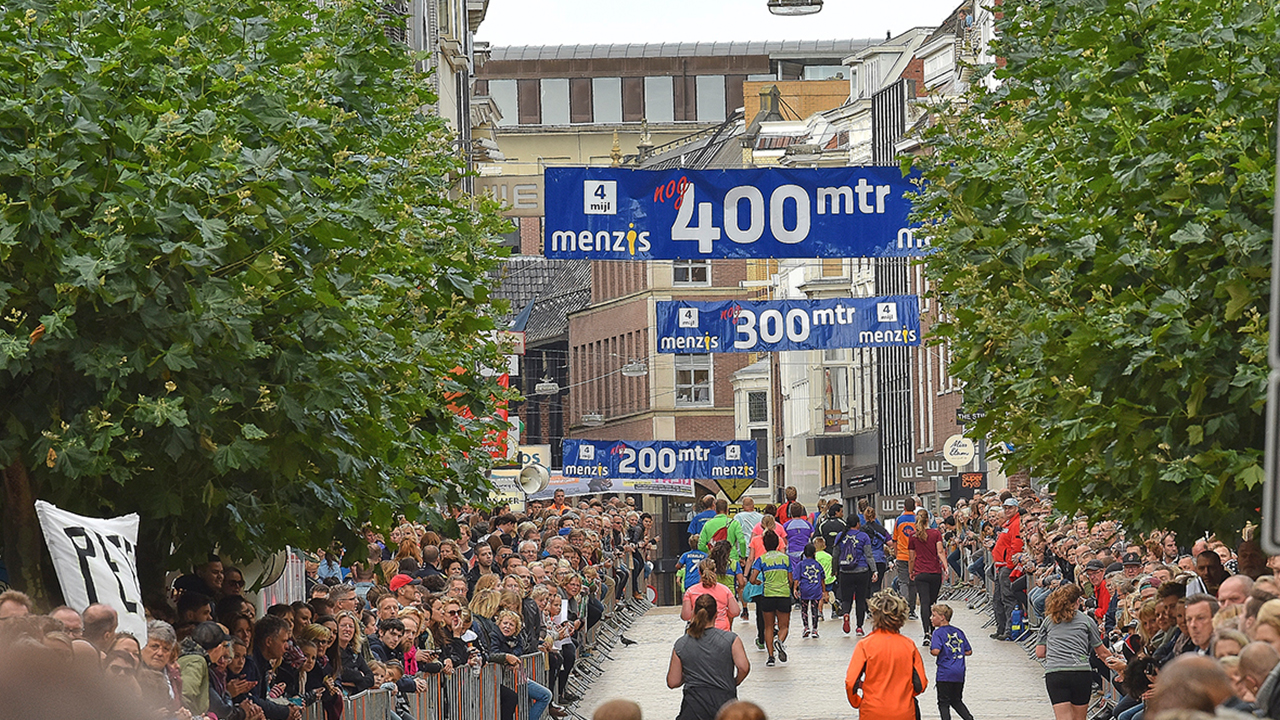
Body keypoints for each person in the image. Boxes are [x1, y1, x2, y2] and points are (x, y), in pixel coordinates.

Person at [845, 590, 928, 720]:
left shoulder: (865, 645)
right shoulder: (909, 645)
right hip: (903, 711)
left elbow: (851, 682)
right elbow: (921, 684)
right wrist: (906, 694)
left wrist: (856, 701)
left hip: (872, 711)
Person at [1036, 584, 1114, 720]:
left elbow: (1040, 652)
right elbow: (1101, 652)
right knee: (1080, 717)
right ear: (1077, 601)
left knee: (1063, 717)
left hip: (1056, 672)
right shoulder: (1087, 621)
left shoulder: (1049, 621)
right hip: (1080, 671)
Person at [666, 593, 750, 720]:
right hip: (725, 704)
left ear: (693, 613)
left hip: (693, 707)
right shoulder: (731, 640)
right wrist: (733, 682)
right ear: (716, 614)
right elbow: (744, 667)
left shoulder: (682, 644)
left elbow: (673, 682)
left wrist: (689, 673)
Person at [748, 530, 792, 667]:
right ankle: (779, 640)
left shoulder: (761, 559)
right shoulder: (785, 558)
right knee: (784, 626)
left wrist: (757, 583)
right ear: (778, 543)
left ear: (765, 545)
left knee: (768, 626)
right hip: (783, 595)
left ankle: (771, 657)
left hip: (767, 595)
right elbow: (790, 579)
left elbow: (752, 578)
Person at [909, 507, 948, 644]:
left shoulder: (913, 536)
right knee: (932, 602)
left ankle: (926, 632)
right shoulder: (936, 533)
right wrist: (946, 566)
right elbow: (940, 551)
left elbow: (912, 557)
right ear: (929, 519)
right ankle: (933, 629)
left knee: (924, 603)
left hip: (920, 572)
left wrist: (911, 571)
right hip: (934, 572)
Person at [929, 603, 975, 720]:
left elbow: (935, 651)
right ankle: (969, 718)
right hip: (959, 672)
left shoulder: (937, 633)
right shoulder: (958, 632)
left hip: (945, 673)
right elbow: (968, 651)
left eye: (933, 615)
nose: (931, 618)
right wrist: (956, 652)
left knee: (943, 702)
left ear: (942, 617)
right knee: (956, 700)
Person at [835, 513, 878, 636]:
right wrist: (874, 570)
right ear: (858, 524)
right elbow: (869, 555)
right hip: (862, 571)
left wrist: (835, 570)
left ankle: (846, 613)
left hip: (845, 571)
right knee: (860, 599)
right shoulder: (863, 536)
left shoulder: (840, 536)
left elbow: (835, 555)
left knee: (846, 598)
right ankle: (859, 627)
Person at [991, 497, 1023, 640]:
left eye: (1010, 507)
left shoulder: (1015, 523)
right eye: (1005, 508)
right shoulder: (1009, 523)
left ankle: (1009, 630)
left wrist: (1009, 564)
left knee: (1007, 599)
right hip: (1001, 566)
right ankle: (1001, 628)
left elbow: (1016, 545)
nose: (1007, 510)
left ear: (1016, 508)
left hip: (1006, 567)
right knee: (998, 599)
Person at [682, 558, 739, 632]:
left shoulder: (690, 591)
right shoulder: (725, 590)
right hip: (721, 630)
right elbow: (735, 612)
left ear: (699, 572)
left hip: (698, 631)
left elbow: (686, 616)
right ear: (715, 570)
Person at [892, 499, 919, 618]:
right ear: (914, 507)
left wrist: (896, 554)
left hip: (902, 556)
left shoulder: (899, 520)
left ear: (904, 507)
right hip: (915, 556)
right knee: (913, 583)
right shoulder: (917, 520)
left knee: (903, 582)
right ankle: (912, 610)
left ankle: (904, 607)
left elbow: (894, 539)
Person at [793, 544, 825, 639]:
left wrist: (795, 589)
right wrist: (824, 590)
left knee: (804, 609)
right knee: (814, 609)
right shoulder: (817, 564)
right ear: (814, 553)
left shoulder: (801, 564)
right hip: (815, 589)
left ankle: (806, 627)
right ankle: (815, 629)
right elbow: (822, 578)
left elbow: (797, 579)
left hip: (804, 589)